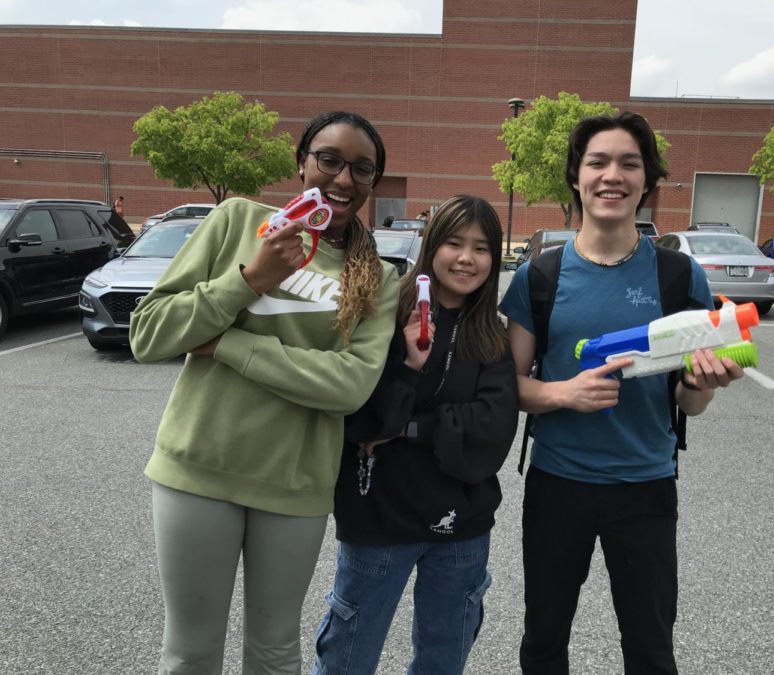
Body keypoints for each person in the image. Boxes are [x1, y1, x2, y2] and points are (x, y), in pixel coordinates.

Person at [129, 111, 400, 675]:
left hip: (294, 486)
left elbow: (349, 385)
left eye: (362, 169)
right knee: (188, 654)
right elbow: (149, 333)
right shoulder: (237, 221)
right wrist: (249, 279)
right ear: (302, 164)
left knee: (275, 652)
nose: (344, 179)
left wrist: (226, 345)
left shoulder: (376, 277)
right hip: (198, 470)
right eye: (329, 160)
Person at [500, 111, 745, 674]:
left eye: (629, 164)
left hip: (646, 486)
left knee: (651, 648)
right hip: (558, 484)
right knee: (542, 642)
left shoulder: (679, 276)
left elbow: (689, 401)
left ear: (647, 180)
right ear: (576, 176)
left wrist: (705, 385)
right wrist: (564, 394)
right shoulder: (538, 276)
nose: (613, 175)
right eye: (598, 162)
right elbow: (510, 386)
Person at [312, 195, 519, 675]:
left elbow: (491, 429)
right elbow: (359, 418)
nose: (467, 258)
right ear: (430, 246)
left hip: (460, 526)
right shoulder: (385, 313)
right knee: (348, 654)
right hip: (378, 516)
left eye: (482, 247)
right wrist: (408, 366)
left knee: (443, 660)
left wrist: (409, 428)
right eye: (453, 242)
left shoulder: (493, 335)